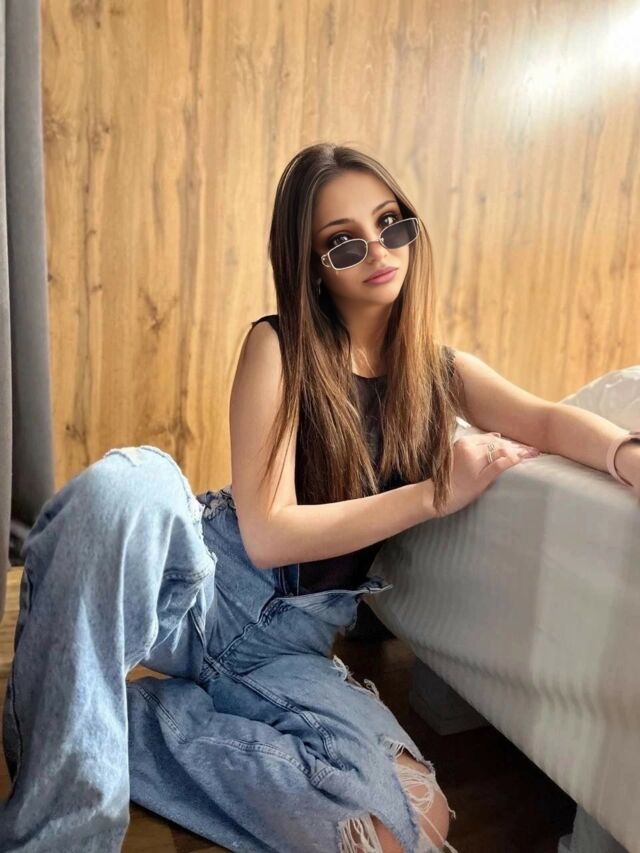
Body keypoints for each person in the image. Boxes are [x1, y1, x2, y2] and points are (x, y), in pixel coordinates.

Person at [2, 142, 639, 853]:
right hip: (200, 587)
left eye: (392, 224)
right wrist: (433, 493)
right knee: (130, 483)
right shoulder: (276, 347)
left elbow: (545, 419)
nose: (379, 250)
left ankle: (94, 720)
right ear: (311, 265)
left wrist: (627, 454)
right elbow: (268, 533)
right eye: (344, 243)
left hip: (287, 644)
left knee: (408, 823)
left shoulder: (438, 371)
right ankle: (62, 812)